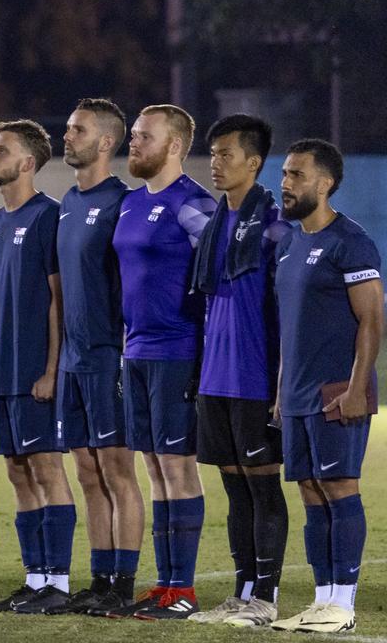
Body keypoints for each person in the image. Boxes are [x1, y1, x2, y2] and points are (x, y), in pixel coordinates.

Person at [271, 139, 381, 634]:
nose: (286, 183)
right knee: (311, 493)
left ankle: (344, 603)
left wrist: (358, 388)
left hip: (336, 391)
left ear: (326, 183)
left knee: (339, 488)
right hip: (294, 394)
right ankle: (321, 601)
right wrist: (279, 391)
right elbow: (290, 325)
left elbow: (372, 320)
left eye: (296, 175)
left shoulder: (350, 241)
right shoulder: (291, 243)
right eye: (286, 174)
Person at [110, 104, 216, 619]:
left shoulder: (191, 204)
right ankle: (164, 584)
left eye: (143, 137)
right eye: (132, 136)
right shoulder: (130, 203)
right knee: (152, 468)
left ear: (174, 145)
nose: (133, 144)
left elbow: (223, 274)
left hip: (177, 351)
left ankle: (185, 589)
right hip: (136, 353)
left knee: (177, 469)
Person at [187, 115, 291, 627]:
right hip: (215, 379)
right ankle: (242, 592)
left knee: (263, 487)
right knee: (234, 489)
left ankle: (266, 598)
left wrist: (281, 382)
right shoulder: (214, 225)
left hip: (255, 378)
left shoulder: (274, 226)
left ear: (254, 162)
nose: (216, 163)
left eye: (227, 154)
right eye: (213, 154)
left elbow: (288, 311)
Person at [0, 120, 76, 615]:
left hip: (37, 372)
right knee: (18, 475)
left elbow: (59, 301)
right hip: (3, 375)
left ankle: (58, 582)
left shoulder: (48, 218)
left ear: (28, 163)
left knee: (46, 470)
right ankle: (35, 577)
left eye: (2, 150)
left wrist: (52, 369)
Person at [53, 99, 144, 615]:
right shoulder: (67, 200)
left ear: (106, 142)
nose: (67, 136)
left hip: (110, 356)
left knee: (116, 469)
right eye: (68, 127)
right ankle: (101, 577)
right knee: (88, 472)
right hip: (73, 359)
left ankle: (124, 584)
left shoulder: (121, 203)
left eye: (78, 129)